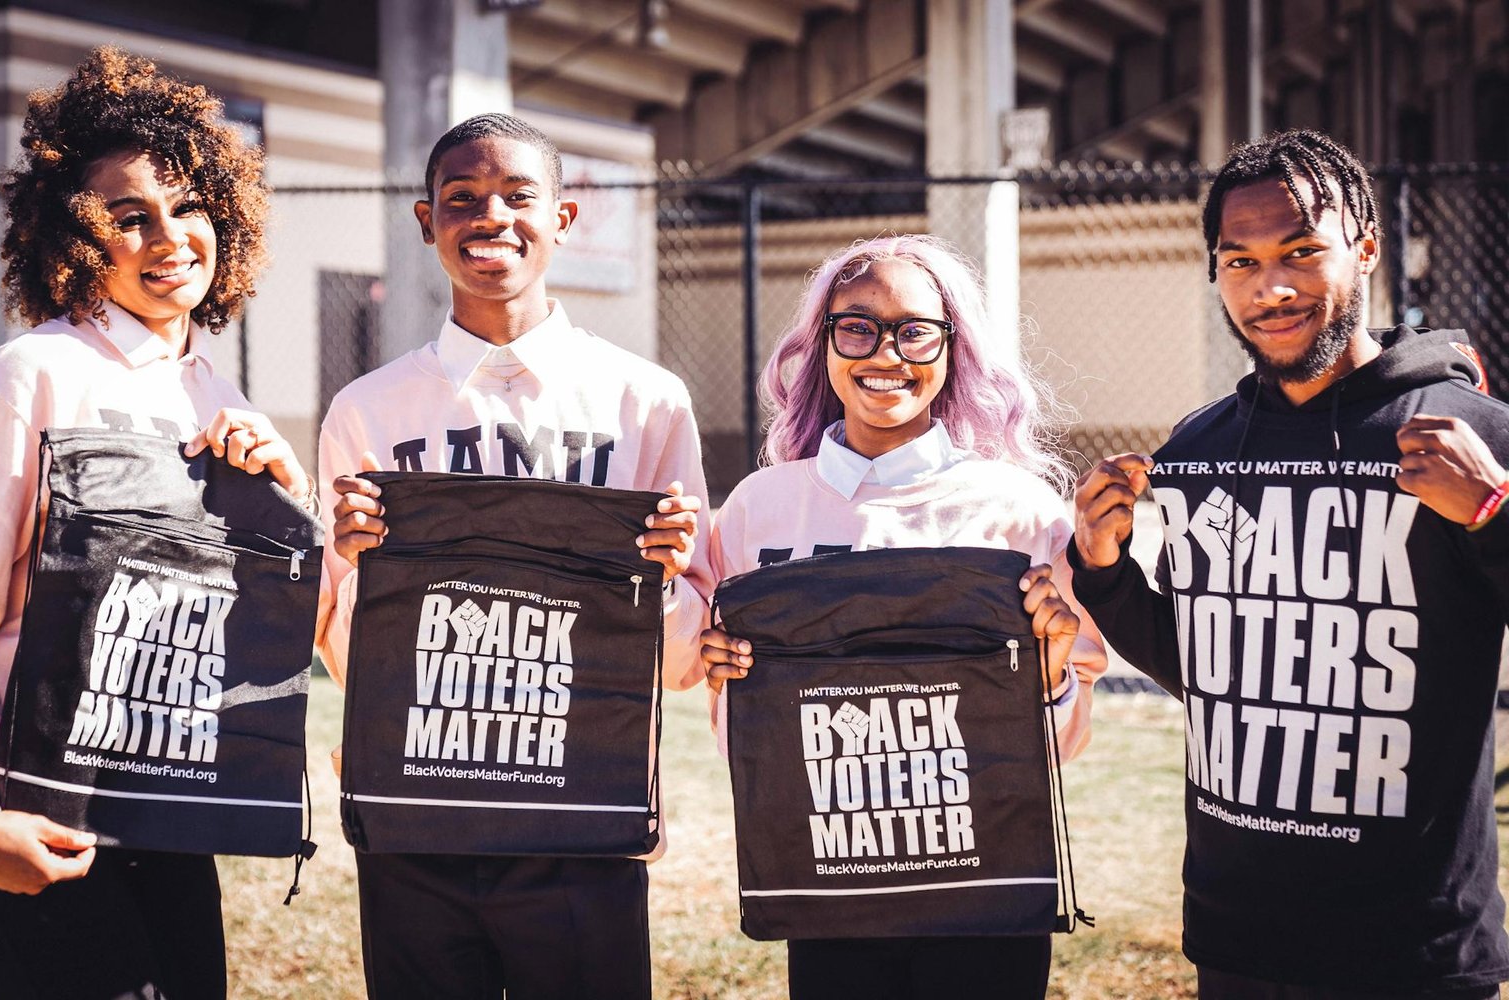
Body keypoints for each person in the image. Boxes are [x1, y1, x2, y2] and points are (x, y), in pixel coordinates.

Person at [1070, 128, 1509, 999]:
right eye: (1239, 262)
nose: (1270, 288)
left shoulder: (1469, 435)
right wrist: (1106, 566)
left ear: (1367, 249)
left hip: (1414, 948)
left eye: (1303, 251)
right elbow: (1206, 668)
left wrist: (1495, 514)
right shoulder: (1199, 449)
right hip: (1240, 937)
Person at [0, 48, 309, 999]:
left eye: (185, 205)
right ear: (74, 239)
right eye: (129, 218)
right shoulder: (30, 375)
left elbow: (248, 632)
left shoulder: (216, 387)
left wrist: (285, 495)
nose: (169, 236)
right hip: (29, 806)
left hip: (162, 807)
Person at [317, 112, 710, 1000]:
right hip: (419, 811)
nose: (491, 216)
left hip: (581, 814)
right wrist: (359, 577)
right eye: (462, 199)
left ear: (564, 218)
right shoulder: (367, 413)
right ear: (427, 222)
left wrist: (668, 582)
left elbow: (686, 661)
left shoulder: (646, 404)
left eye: (519, 195)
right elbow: (347, 662)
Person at [699, 234, 1106, 1000]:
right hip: (833, 875)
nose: (886, 351)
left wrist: (1051, 671)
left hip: (982, 875)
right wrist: (734, 686)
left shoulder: (1017, 510)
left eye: (916, 329)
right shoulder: (759, 508)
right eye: (857, 326)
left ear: (955, 348)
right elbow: (742, 739)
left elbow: (1064, 743)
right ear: (822, 344)